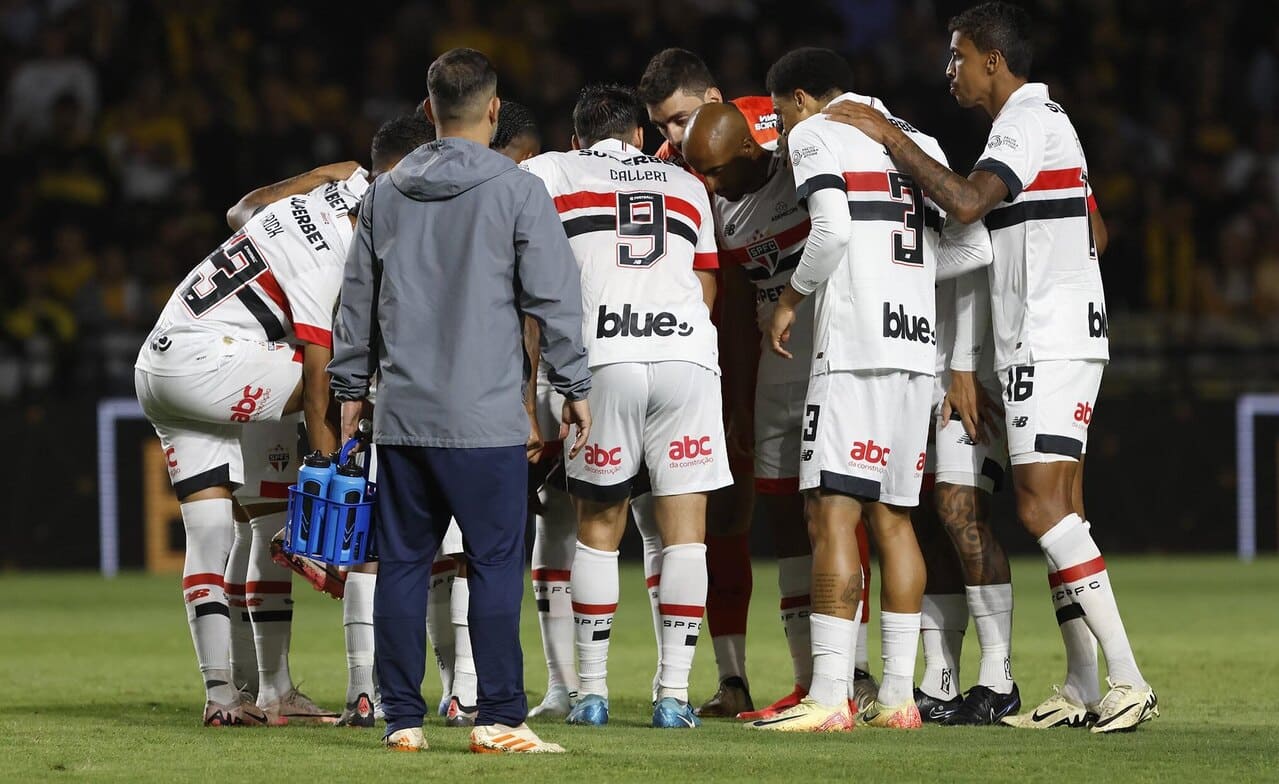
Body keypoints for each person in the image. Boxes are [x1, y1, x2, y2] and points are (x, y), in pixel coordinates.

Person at [823, 1, 1157, 733]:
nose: (949, 70)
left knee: (1039, 508)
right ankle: (1076, 685)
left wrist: (885, 136)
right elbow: (1087, 225)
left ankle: (1128, 680)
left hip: (1046, 339)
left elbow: (969, 204)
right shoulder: (1049, 124)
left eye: (956, 57)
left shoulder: (1021, 123)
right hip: (1055, 333)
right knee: (1059, 512)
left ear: (991, 61)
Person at [329, 48, 589, 754]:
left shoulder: (382, 194)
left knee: (404, 564)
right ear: (495, 109)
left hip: (406, 416)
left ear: (427, 109)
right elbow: (553, 297)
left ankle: (400, 719)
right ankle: (500, 717)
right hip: (486, 418)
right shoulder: (517, 190)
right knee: (495, 562)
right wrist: (571, 384)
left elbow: (356, 304)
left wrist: (349, 390)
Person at [750, 47, 980, 732]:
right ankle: (900, 699)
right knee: (894, 518)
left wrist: (788, 299)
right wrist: (900, 274)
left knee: (830, 511)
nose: (783, 131)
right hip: (916, 353)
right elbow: (974, 248)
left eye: (780, 115)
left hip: (852, 351)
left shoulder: (818, 133)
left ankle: (826, 696)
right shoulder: (916, 139)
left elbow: (829, 230)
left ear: (795, 99)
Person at [520, 83, 731, 730]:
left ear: (577, 136)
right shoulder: (687, 185)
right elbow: (705, 281)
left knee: (599, 531)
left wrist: (531, 395)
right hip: (685, 361)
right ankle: (672, 697)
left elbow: (530, 288)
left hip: (602, 359)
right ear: (639, 135)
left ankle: (591, 693)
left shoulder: (550, 171)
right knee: (684, 538)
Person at [134, 157, 367, 728]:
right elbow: (319, 386)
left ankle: (221, 698)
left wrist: (317, 176)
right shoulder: (332, 255)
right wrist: (329, 467)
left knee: (212, 534)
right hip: (206, 362)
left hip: (158, 366)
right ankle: (324, 510)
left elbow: (241, 209)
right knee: (349, 377)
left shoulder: (294, 208)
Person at [227, 113, 438, 728]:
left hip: (279, 361)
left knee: (261, 526)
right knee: (282, 521)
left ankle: (264, 686)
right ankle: (277, 687)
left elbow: (242, 212)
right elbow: (245, 215)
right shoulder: (363, 212)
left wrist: (313, 192)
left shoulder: (344, 185)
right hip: (287, 367)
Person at [679, 101, 877, 720]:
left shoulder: (803, 170)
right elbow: (734, 305)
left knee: (842, 514)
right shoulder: (715, 206)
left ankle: (859, 674)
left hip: (838, 354)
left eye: (714, 171)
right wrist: (737, 399)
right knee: (784, 513)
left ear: (746, 149)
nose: (708, 186)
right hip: (776, 371)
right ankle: (804, 679)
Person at [635, 46, 780, 718]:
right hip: (704, 353)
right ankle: (730, 678)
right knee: (717, 520)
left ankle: (855, 673)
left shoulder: (775, 127)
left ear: (719, 100)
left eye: (683, 118)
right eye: (662, 125)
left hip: (782, 337)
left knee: (821, 504)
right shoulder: (662, 175)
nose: (674, 137)